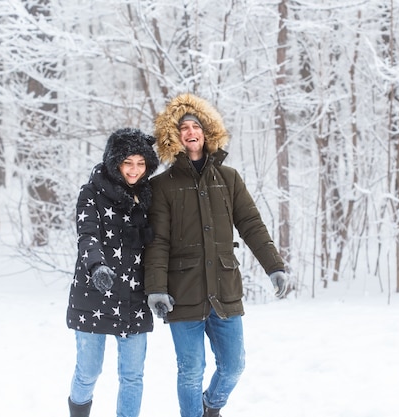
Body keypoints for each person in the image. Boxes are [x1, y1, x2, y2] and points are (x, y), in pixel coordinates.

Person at [144, 93, 289, 417]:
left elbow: (251, 224)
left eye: (196, 125)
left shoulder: (229, 178)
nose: (191, 132)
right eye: (183, 128)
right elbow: (158, 242)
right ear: (174, 137)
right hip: (183, 294)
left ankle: (211, 406)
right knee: (191, 371)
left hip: (224, 291)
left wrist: (274, 266)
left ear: (207, 132)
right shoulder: (162, 186)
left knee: (234, 365)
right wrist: (156, 287)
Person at [66, 128, 159, 417]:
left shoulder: (148, 196)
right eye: (128, 163)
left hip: (134, 296)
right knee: (89, 371)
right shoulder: (92, 191)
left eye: (141, 164)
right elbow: (87, 235)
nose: (134, 170)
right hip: (94, 293)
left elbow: (159, 246)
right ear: (115, 162)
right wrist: (97, 265)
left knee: (133, 376)